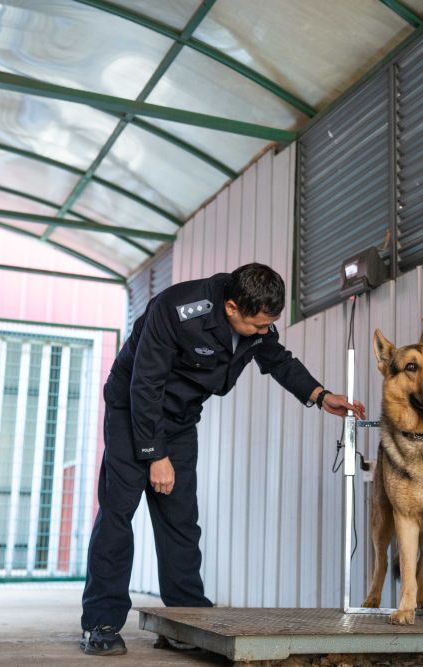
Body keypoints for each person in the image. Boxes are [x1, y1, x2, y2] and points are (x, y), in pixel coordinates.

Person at [80, 262, 365, 656]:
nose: (264, 332)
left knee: (180, 520)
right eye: (258, 325)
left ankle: (186, 620)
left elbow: (277, 360)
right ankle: (101, 622)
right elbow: (144, 383)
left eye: (269, 325)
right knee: (118, 513)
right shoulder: (176, 309)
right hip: (132, 412)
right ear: (231, 307)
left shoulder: (253, 322)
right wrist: (154, 454)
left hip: (180, 421)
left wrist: (321, 395)